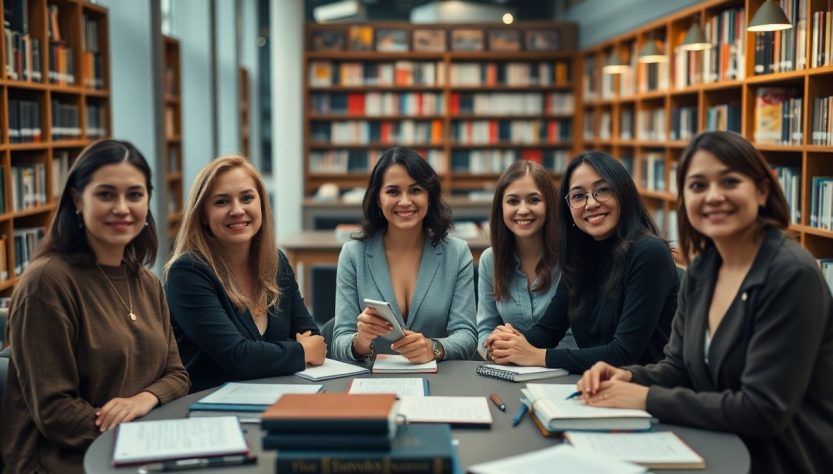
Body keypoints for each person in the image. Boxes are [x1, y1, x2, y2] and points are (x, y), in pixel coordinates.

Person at [576, 131, 833, 473]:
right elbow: (678, 368)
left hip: (776, 461)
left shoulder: (791, 275)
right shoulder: (702, 271)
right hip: (710, 448)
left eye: (729, 181)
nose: (713, 196)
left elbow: (763, 409)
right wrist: (628, 376)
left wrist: (646, 398)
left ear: (761, 190)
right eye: (697, 186)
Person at [0, 139, 190, 473]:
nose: (122, 207)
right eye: (105, 194)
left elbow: (176, 375)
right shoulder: (47, 282)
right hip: (65, 461)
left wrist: (143, 399)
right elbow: (55, 412)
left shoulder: (147, 283)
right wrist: (138, 437)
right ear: (77, 199)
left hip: (135, 451)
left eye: (134, 194)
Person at [485, 151, 678, 372]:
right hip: (595, 388)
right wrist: (507, 344)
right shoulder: (580, 256)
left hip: (643, 394)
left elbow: (624, 353)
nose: (591, 203)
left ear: (623, 192)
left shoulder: (649, 253)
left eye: (602, 190)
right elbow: (548, 330)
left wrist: (537, 356)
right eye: (578, 196)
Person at [165, 156, 325, 392]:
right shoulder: (188, 272)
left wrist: (294, 351)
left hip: (278, 397)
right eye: (221, 202)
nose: (237, 210)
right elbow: (238, 358)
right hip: (211, 410)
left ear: (261, 203)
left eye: (247, 198)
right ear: (203, 215)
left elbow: (313, 336)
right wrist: (301, 351)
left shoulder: (276, 262)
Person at [331, 147, 477, 363]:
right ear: (378, 199)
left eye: (415, 190)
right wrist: (360, 341)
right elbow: (339, 341)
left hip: (440, 382)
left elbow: (467, 335)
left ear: (429, 196)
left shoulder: (457, 253)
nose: (405, 201)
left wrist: (434, 348)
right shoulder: (353, 254)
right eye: (393, 191)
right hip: (374, 383)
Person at [476, 160, 574, 359]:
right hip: (510, 368)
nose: (523, 210)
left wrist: (523, 350)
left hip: (567, 370)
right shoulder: (490, 260)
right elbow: (485, 329)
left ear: (549, 204)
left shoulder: (572, 257)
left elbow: (580, 337)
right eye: (513, 201)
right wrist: (496, 352)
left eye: (533, 200)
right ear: (500, 207)